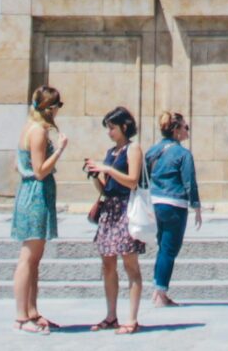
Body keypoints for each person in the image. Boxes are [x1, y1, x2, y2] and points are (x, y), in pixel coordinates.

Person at [83, 107, 145, 333]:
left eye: (112, 127)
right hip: (109, 209)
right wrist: (95, 176)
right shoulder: (112, 152)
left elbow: (132, 181)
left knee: (130, 264)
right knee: (107, 262)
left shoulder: (133, 149)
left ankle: (132, 318)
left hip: (125, 209)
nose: (109, 132)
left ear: (124, 126)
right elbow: (105, 186)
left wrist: (107, 168)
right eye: (108, 128)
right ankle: (111, 315)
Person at [12, 86, 65, 333]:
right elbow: (40, 170)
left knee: (34, 259)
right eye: (57, 106)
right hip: (35, 195)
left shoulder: (28, 128)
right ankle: (21, 317)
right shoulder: (38, 132)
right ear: (50, 108)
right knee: (27, 258)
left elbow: (18, 165)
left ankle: (32, 312)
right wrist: (61, 150)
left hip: (31, 193)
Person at [144, 112, 201, 309]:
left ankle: (158, 288)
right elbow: (189, 182)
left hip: (156, 202)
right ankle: (161, 292)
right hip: (175, 204)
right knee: (170, 248)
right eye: (185, 127)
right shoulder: (183, 154)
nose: (187, 131)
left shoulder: (152, 150)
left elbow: (144, 178)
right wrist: (197, 207)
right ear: (176, 131)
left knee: (163, 246)